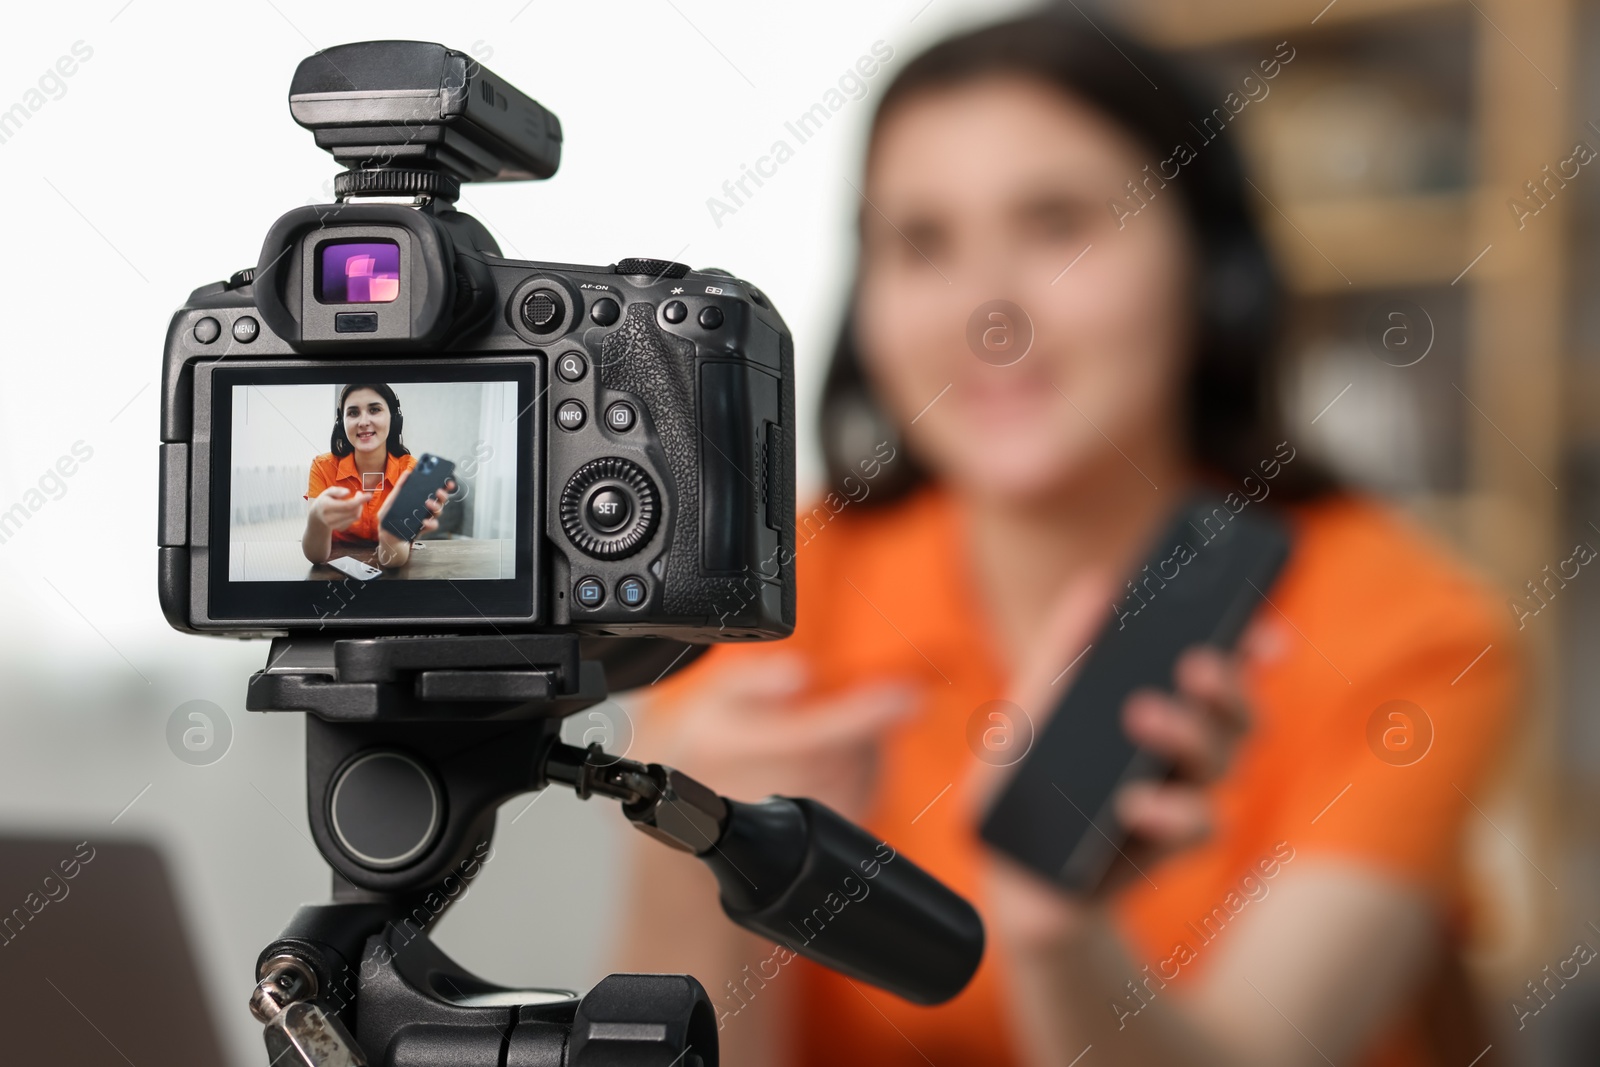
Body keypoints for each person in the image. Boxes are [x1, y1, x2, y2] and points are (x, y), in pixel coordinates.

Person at [617, 10, 1519, 1067]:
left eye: (1057, 224)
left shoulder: (1406, 625)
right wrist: (692, 856)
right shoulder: (771, 580)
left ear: (1214, 274)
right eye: (921, 242)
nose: (985, 310)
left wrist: (1055, 931)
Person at [302, 382, 451, 569]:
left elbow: (393, 559)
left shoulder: (410, 471)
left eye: (374, 410)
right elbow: (316, 557)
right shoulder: (323, 466)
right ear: (342, 423)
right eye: (353, 413)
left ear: (393, 419)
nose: (363, 422)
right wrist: (317, 518)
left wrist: (391, 537)